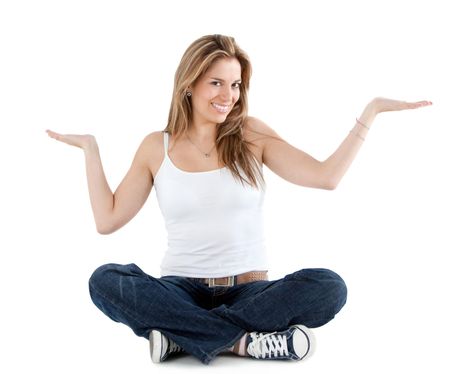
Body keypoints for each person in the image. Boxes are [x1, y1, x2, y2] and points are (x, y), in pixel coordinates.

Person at [46, 34, 432, 365]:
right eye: (216, 83)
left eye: (235, 85)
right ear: (189, 84)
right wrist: (91, 151)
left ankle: (184, 336)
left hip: (250, 290)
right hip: (180, 290)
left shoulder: (251, 134)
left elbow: (325, 177)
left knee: (329, 287)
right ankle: (241, 342)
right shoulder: (155, 147)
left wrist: (371, 113)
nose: (228, 96)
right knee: (106, 281)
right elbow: (107, 220)